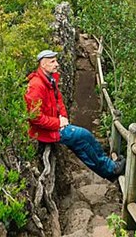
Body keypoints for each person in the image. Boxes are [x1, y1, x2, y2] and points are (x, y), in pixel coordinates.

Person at [24, 49, 125, 182]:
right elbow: (35, 117)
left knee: (85, 137)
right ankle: (110, 170)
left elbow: (59, 100)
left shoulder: (49, 80)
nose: (57, 64)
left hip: (55, 125)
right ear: (43, 64)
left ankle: (109, 166)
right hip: (45, 131)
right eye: (52, 61)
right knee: (82, 136)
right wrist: (58, 123)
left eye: (56, 60)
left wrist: (63, 118)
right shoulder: (36, 86)